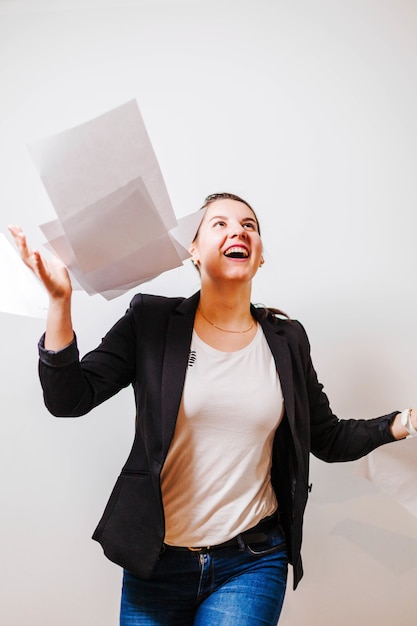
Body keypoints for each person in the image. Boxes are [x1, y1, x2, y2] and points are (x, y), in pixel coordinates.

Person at [8, 192, 417, 626]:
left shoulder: (287, 339)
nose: (238, 230)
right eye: (219, 224)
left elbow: (327, 437)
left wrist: (404, 422)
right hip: (156, 562)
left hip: (251, 561)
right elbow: (67, 399)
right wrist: (59, 304)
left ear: (259, 256)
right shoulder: (150, 322)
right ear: (194, 250)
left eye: (249, 225)